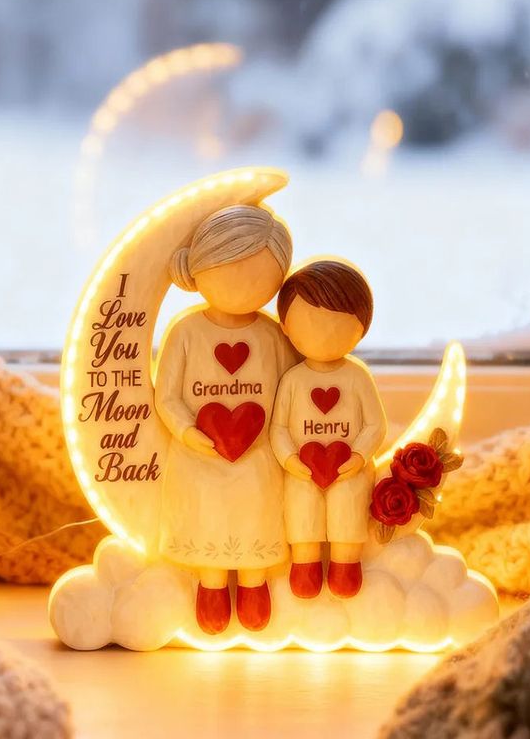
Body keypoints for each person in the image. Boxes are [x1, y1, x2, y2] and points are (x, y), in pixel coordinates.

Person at [154, 205, 297, 635]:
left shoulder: (272, 336)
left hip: (259, 457)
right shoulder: (185, 333)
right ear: (201, 267)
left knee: (255, 514)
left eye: (260, 276)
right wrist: (187, 430)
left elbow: (292, 390)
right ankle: (210, 585)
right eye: (231, 267)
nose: (244, 284)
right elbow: (168, 395)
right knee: (208, 518)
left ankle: (255, 584)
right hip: (199, 458)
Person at [270, 259, 387, 599]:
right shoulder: (293, 380)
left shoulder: (357, 376)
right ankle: (304, 564)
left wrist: (359, 455)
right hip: (302, 470)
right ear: (286, 327)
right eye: (309, 325)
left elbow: (374, 423)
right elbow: (278, 427)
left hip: (349, 468)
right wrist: (290, 458)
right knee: (302, 506)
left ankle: (346, 564)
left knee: (347, 506)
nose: (322, 335)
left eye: (336, 325)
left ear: (361, 326)